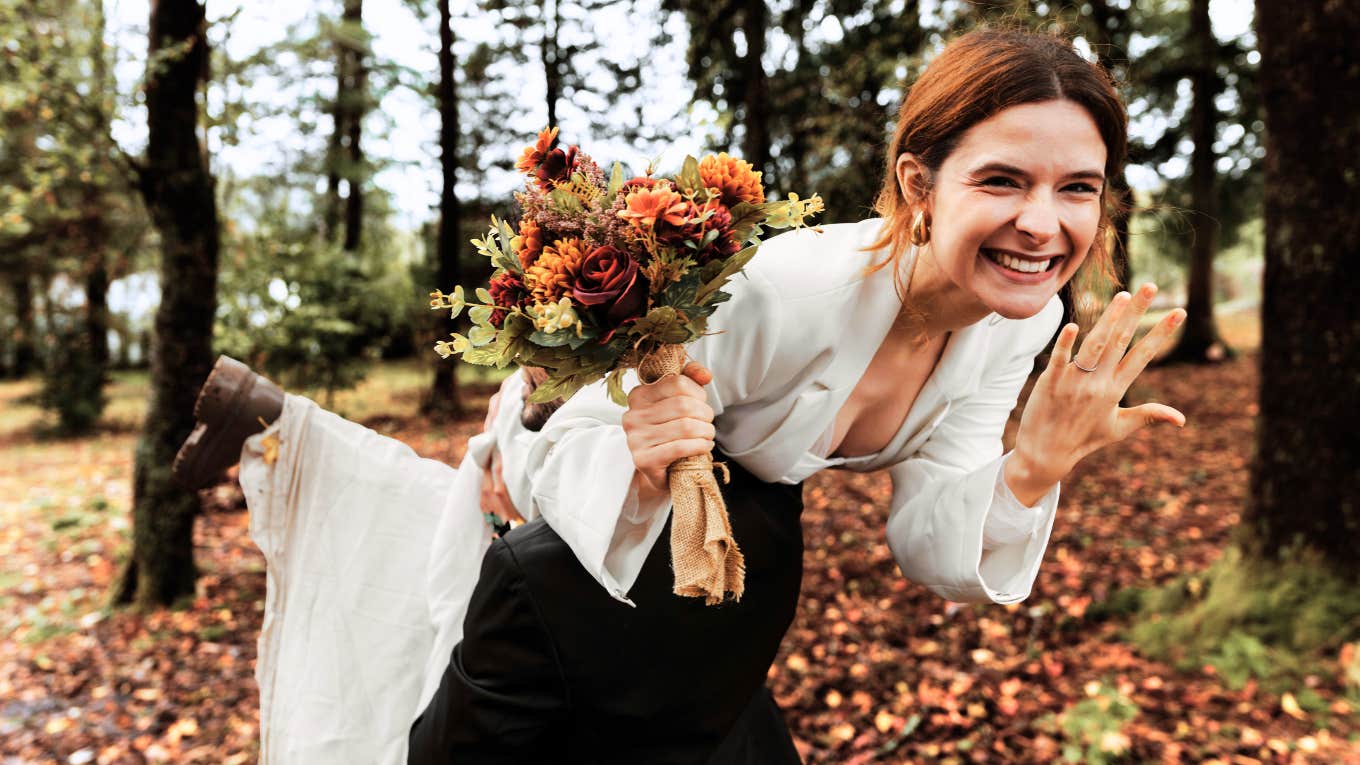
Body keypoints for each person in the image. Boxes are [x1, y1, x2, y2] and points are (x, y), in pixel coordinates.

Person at [177, 27, 1186, 764]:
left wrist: (1030, 466)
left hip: (715, 597)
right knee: (463, 582)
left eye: (1078, 188)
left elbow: (927, 537)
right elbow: (562, 444)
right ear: (920, 184)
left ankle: (275, 420)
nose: (1043, 225)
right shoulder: (794, 287)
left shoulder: (1017, 324)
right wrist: (644, 457)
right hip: (577, 564)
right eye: (1003, 181)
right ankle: (285, 432)